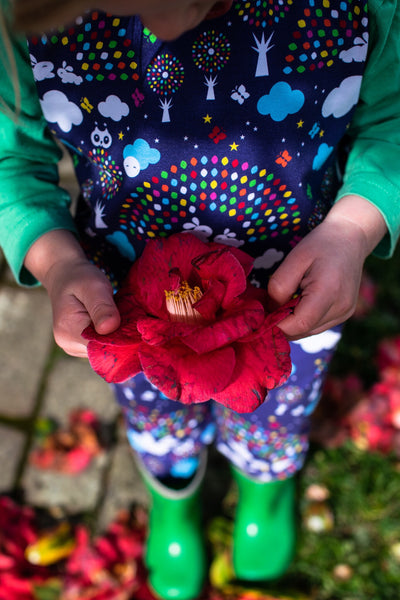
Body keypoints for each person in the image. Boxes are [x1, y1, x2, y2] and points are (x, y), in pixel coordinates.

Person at [1, 0, 400, 597]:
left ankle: (264, 485)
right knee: (156, 410)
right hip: (128, 308)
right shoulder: (25, 10)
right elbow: (13, 158)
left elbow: (391, 119)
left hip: (294, 296)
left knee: (277, 407)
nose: (157, 35)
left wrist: (353, 230)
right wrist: (57, 262)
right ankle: (173, 493)